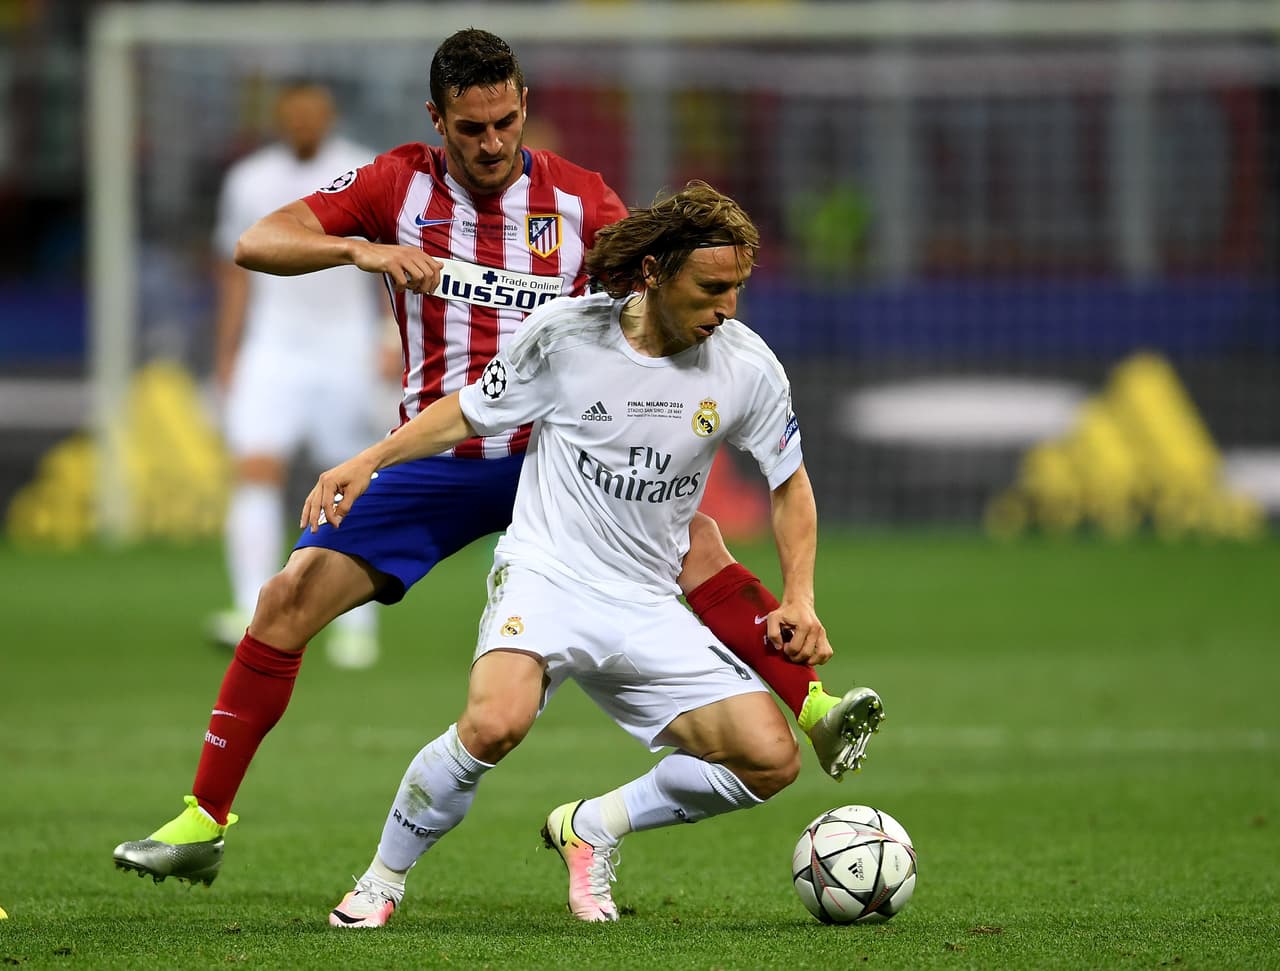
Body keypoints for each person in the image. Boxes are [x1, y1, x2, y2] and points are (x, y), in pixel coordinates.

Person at [113, 29, 881, 891]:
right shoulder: (393, 184)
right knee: (286, 599)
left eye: (505, 123)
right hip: (441, 451)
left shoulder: (581, 199)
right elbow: (259, 241)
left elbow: (655, 293)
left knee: (691, 536)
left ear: (523, 110)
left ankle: (811, 702)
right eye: (470, 127)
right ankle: (204, 820)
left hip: (557, 453)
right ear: (435, 117)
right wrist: (362, 250)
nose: (490, 144)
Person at [317, 182, 878, 927]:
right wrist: (369, 461)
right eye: (711, 288)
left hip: (646, 600)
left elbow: (790, 485)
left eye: (738, 287)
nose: (729, 307)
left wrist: (799, 595)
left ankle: (595, 826)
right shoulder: (566, 337)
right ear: (653, 273)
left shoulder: (746, 368)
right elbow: (467, 411)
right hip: (547, 572)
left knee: (771, 759)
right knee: (493, 723)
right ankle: (380, 880)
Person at [207, 80, 389, 670]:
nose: (305, 122)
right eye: (295, 114)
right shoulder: (249, 180)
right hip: (273, 346)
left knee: (349, 482)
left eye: (315, 113)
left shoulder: (362, 171)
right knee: (255, 469)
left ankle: (356, 627)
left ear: (329, 115)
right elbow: (234, 271)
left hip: (346, 347)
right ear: (280, 118)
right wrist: (228, 351)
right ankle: (249, 607)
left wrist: (391, 338)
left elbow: (392, 259)